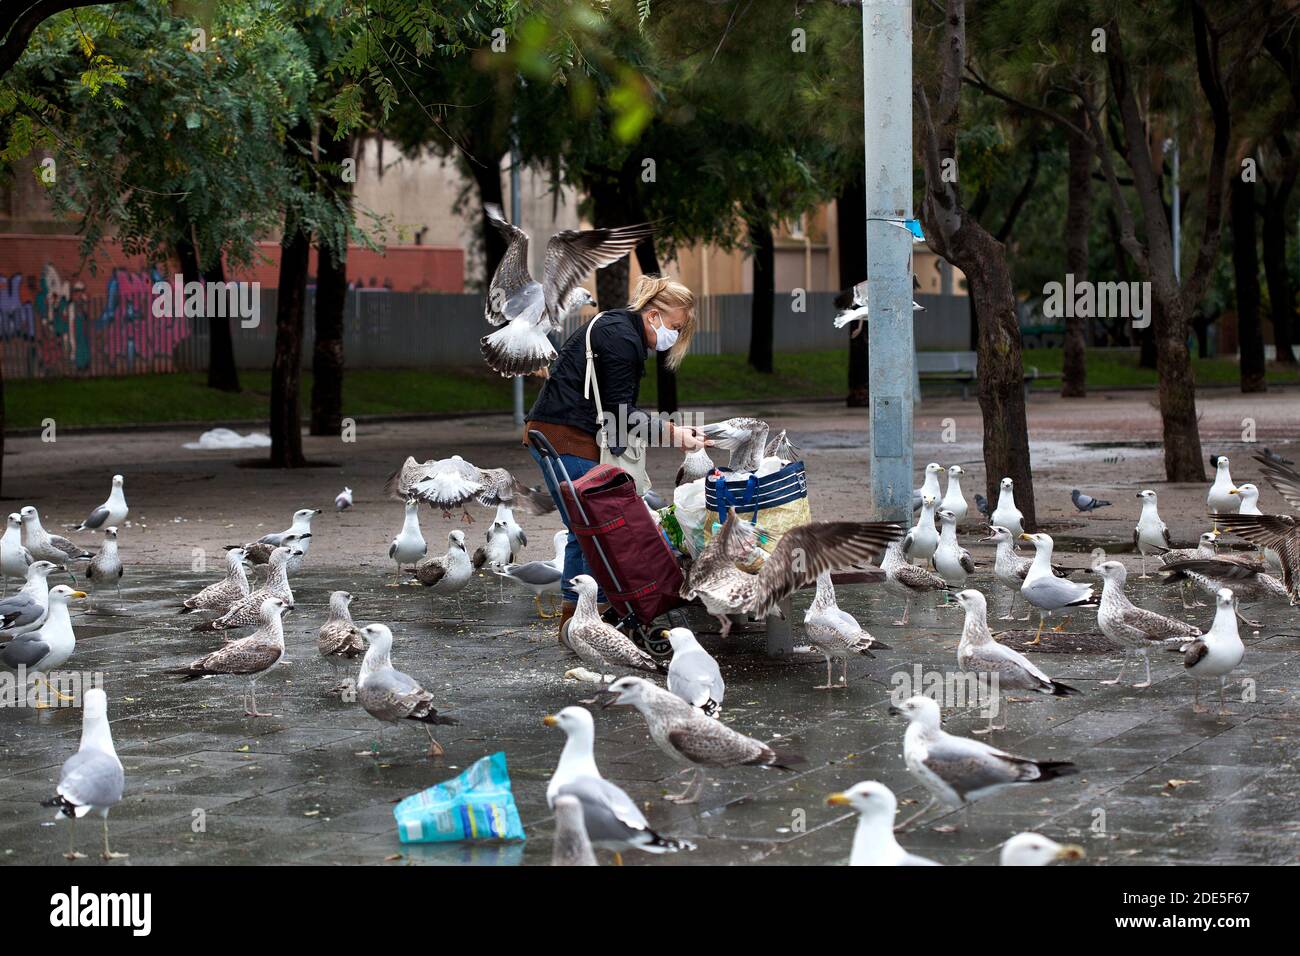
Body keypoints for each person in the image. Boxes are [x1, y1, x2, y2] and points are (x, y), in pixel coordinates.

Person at [524, 274, 712, 643]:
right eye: (674, 326)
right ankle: (578, 624)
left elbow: (616, 413)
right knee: (588, 532)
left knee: (591, 532)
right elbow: (621, 414)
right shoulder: (622, 338)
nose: (674, 334)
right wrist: (675, 434)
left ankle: (590, 617)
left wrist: (674, 432)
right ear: (654, 314)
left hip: (563, 436)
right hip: (563, 439)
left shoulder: (617, 329)